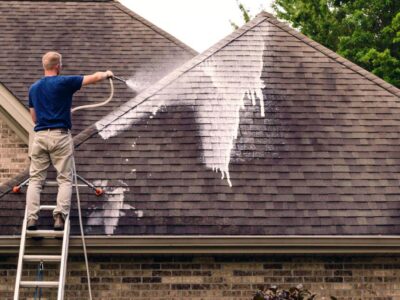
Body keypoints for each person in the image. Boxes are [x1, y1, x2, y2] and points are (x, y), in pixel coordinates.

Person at [26, 51, 113, 230]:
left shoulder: (33, 88)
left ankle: (31, 219)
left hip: (40, 137)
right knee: (65, 179)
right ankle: (59, 218)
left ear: (44, 66)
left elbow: (34, 118)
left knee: (35, 180)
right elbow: (94, 78)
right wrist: (107, 74)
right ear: (58, 66)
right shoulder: (64, 82)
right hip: (60, 136)